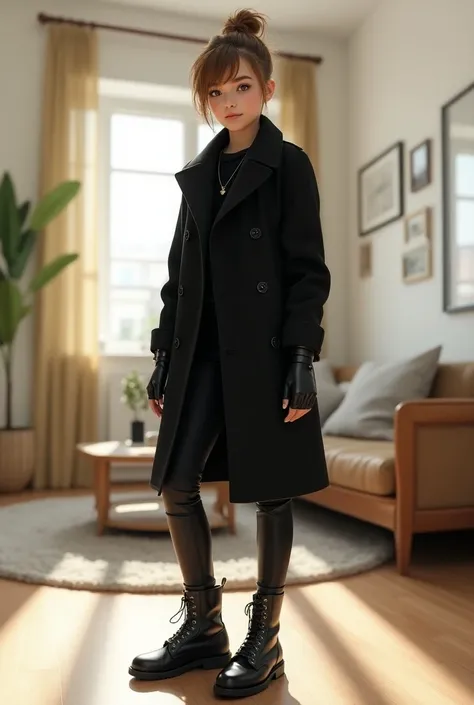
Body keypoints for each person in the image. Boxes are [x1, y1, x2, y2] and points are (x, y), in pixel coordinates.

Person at [129, 8, 331, 699]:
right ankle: (204, 623)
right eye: (215, 93)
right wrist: (162, 358)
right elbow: (178, 280)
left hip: (267, 354)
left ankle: (266, 635)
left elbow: (309, 271)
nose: (227, 103)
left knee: (272, 492)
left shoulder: (288, 166)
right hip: (201, 355)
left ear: (267, 89)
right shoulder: (197, 178)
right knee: (175, 484)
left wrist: (303, 356)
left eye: (240, 88)